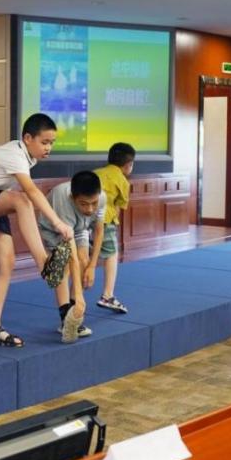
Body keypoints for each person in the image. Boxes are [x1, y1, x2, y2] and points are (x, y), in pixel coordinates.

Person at [0, 113, 73, 348]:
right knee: (22, 200)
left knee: (7, 262)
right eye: (44, 142)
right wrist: (58, 223)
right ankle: (43, 264)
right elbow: (31, 191)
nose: (48, 148)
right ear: (28, 138)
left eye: (52, 143)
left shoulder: (26, 156)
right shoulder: (15, 154)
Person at [37, 171, 106, 342]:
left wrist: (92, 266)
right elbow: (72, 254)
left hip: (80, 227)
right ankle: (65, 318)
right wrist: (80, 295)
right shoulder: (63, 198)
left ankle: (74, 313)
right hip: (54, 228)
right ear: (72, 198)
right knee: (64, 265)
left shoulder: (102, 197)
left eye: (94, 203)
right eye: (83, 204)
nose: (90, 209)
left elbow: (99, 231)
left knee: (84, 260)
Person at [93, 142, 135, 314]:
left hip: (83, 220)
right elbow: (117, 208)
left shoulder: (95, 173)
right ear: (128, 165)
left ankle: (74, 297)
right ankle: (107, 295)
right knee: (111, 253)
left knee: (84, 256)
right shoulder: (123, 181)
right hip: (105, 220)